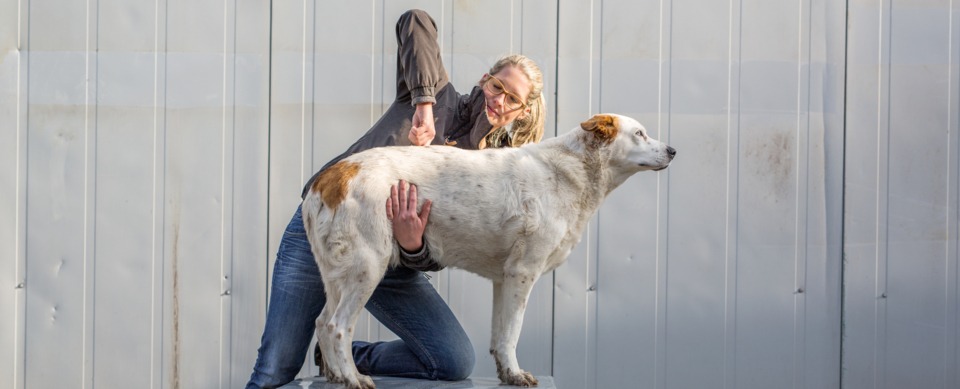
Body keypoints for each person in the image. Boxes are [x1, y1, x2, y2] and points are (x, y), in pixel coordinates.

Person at [246, 9, 546, 388]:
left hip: (391, 262)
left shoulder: (483, 170)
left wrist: (414, 243)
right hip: (328, 228)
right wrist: (424, 107)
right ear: (484, 80)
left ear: (520, 113)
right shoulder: (437, 95)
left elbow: (444, 251)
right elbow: (415, 21)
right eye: (498, 87)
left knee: (453, 359)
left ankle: (343, 351)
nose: (500, 100)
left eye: (512, 99)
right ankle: (326, 344)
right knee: (276, 367)